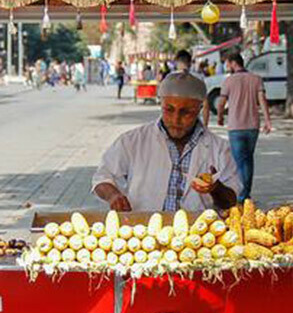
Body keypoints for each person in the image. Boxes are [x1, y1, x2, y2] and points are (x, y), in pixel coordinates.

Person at [92, 71, 241, 212]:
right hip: (145, 232)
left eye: (186, 112)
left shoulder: (220, 148)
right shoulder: (132, 141)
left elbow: (231, 200)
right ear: (161, 104)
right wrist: (113, 195)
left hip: (196, 234)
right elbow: (103, 177)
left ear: (199, 109)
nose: (176, 119)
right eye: (169, 110)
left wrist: (216, 188)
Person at [211, 51, 272, 203]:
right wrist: (267, 121)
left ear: (233, 63)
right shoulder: (256, 79)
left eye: (228, 63)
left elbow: (221, 102)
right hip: (252, 125)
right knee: (248, 159)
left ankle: (242, 194)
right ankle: (246, 193)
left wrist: (219, 117)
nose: (227, 66)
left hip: (235, 126)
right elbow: (262, 100)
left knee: (239, 161)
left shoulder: (229, 81)